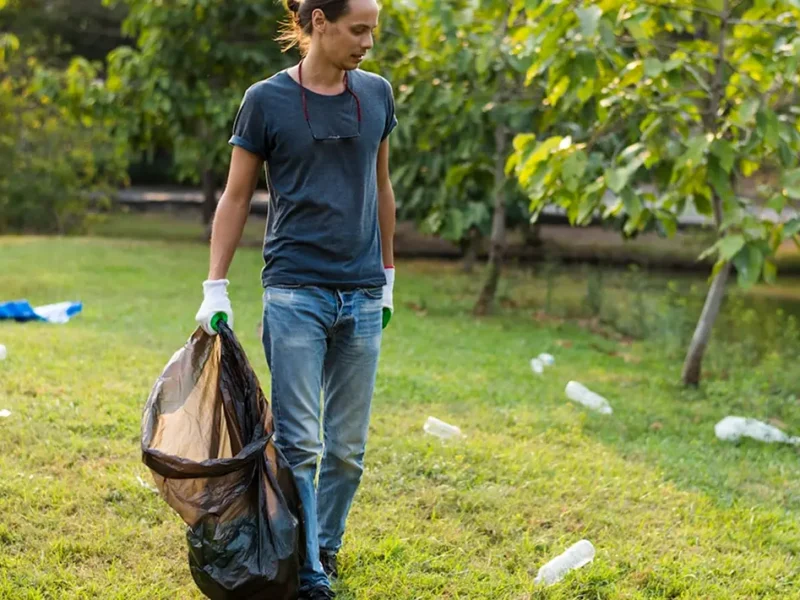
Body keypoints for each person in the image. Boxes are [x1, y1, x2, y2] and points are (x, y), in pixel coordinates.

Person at [194, 0, 397, 598]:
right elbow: (236, 196)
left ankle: (325, 545)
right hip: (294, 293)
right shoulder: (266, 100)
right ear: (319, 22)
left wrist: (388, 274)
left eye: (373, 31)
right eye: (358, 29)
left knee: (348, 450)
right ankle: (307, 567)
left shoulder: (377, 94)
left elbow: (382, 185)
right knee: (301, 443)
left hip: (362, 294)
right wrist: (215, 285)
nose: (368, 43)